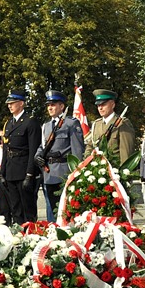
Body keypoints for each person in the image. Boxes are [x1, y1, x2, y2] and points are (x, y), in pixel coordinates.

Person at [34, 90, 85, 220]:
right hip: (49, 173)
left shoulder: (71, 123)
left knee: (65, 211)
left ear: (61, 106)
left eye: (53, 104)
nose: (50, 108)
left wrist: (76, 174)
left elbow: (77, 151)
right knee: (51, 209)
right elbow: (42, 146)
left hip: (64, 173)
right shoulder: (46, 126)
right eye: (48, 105)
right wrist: (38, 155)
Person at [0, 89, 41, 226]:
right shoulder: (9, 124)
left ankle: (31, 234)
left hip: (23, 169)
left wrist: (30, 173)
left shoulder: (30, 122)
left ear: (21, 103)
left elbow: (33, 150)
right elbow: (6, 149)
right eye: (9, 103)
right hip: (11, 170)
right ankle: (19, 235)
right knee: (15, 208)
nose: (10, 106)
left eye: (13, 103)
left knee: (27, 207)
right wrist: (2, 172)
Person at [85, 89, 135, 164]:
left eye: (103, 104)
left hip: (115, 170)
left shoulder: (122, 123)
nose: (100, 108)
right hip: (97, 170)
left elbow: (126, 152)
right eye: (98, 105)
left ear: (112, 104)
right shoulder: (96, 124)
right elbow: (90, 146)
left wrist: (124, 172)